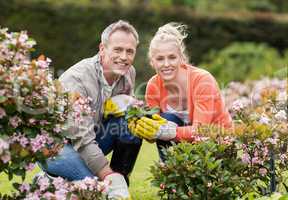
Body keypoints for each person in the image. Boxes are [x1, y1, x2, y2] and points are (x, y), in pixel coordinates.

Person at [40, 20, 141, 199]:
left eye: (129, 51)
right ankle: (49, 179)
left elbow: (126, 117)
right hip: (57, 147)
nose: (124, 57)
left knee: (131, 124)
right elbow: (82, 138)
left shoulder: (128, 72)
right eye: (117, 49)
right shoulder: (77, 79)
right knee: (97, 187)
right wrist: (106, 175)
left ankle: (120, 181)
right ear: (102, 49)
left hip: (93, 137)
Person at [129, 22, 232, 161]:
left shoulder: (202, 80)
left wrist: (169, 132)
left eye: (172, 57)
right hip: (185, 143)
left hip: (217, 143)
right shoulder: (153, 86)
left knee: (165, 125)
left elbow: (201, 132)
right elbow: (156, 136)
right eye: (160, 59)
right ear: (152, 62)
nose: (166, 64)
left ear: (181, 59)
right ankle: (170, 174)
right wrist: (143, 128)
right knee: (165, 121)